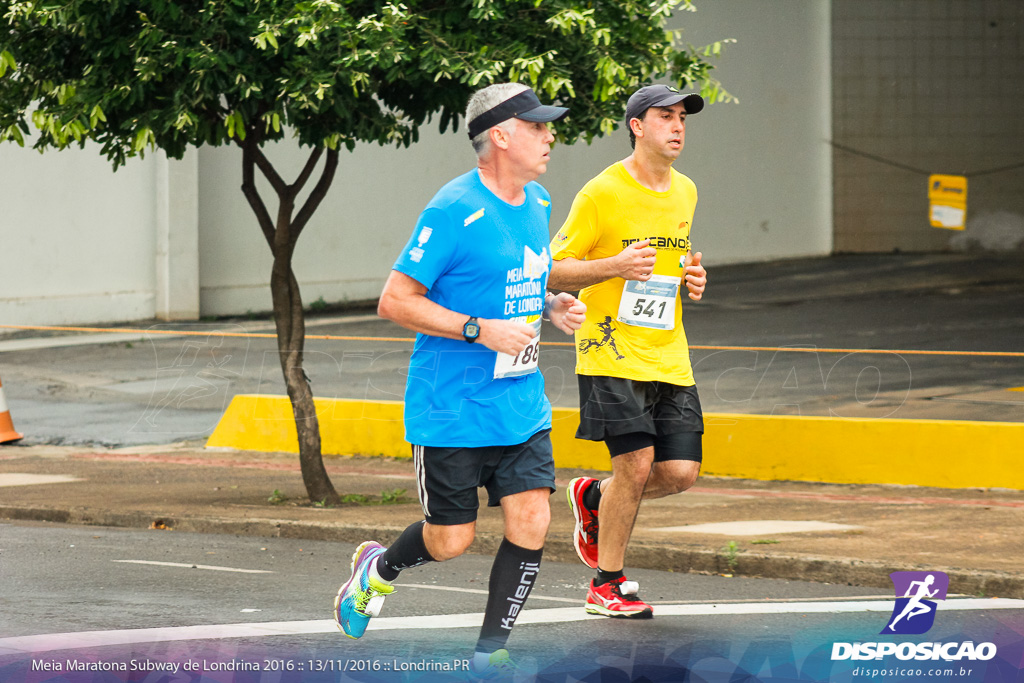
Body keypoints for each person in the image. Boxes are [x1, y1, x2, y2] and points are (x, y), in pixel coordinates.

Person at [334, 82, 586, 678]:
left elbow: (521, 276)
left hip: (520, 403)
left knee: (532, 519)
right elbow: (395, 301)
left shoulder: (539, 201)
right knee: (451, 540)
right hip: (451, 408)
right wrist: (479, 329)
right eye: (538, 126)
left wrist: (552, 304)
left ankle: (490, 651)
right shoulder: (453, 209)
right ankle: (376, 572)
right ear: (500, 136)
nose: (551, 135)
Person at [547, 84, 709, 619]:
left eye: (682, 117)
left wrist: (692, 276)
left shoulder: (685, 190)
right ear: (637, 125)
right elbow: (551, 269)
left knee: (681, 472)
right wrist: (612, 266)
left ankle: (594, 498)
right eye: (665, 116)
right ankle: (606, 583)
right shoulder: (602, 193)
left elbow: (668, 262)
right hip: (608, 350)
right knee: (636, 466)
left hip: (668, 352)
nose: (678, 126)